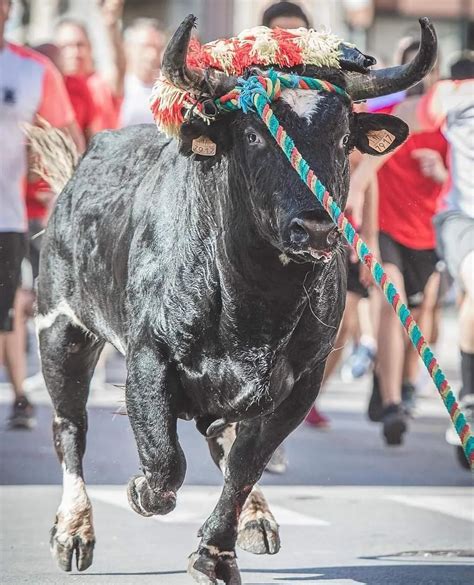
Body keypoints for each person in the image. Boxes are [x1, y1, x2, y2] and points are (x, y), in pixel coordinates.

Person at [349, 41, 448, 445]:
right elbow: (361, 168)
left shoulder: (452, 121)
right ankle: (392, 405)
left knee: (425, 324)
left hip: (433, 235)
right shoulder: (386, 117)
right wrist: (366, 237)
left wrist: (442, 173)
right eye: (411, 70)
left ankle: (396, 383)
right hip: (386, 229)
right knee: (395, 305)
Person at [0, 0, 78, 429]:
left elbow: (68, 142)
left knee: (7, 314)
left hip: (7, 217)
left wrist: (64, 199)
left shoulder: (33, 71)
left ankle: (19, 396)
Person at [393, 52, 474, 467]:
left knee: (466, 307)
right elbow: (397, 114)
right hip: (463, 217)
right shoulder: (455, 96)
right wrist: (359, 180)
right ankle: (470, 398)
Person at [54, 0, 126, 133]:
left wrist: (111, 25)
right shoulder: (53, 87)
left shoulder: (102, 84)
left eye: (79, 45)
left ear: (90, 47)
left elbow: (119, 66)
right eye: (66, 46)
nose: (74, 52)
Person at [121, 18, 166, 127]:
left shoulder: (168, 90)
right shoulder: (118, 85)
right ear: (128, 47)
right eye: (145, 46)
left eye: (157, 48)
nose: (152, 54)